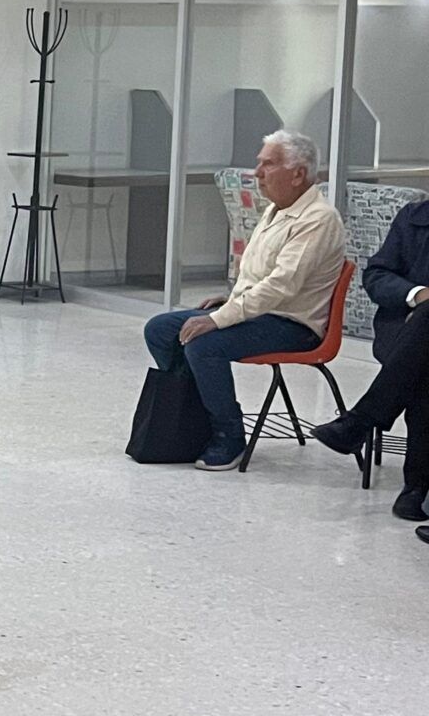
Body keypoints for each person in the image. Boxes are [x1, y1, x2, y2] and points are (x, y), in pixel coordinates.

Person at [142, 131, 345, 470]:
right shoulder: (277, 210)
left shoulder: (318, 219)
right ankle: (193, 422)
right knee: (161, 329)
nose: (257, 172)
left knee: (204, 345)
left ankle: (229, 435)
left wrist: (218, 319)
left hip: (293, 325)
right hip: (262, 312)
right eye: (259, 163)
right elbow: (260, 274)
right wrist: (231, 299)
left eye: (269, 164)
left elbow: (281, 286)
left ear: (298, 174)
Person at [313, 198, 429, 524]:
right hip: (405, 330)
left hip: (414, 342)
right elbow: (377, 274)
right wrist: (417, 295)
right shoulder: (414, 217)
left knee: (422, 367)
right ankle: (417, 487)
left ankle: (361, 424)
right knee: (422, 359)